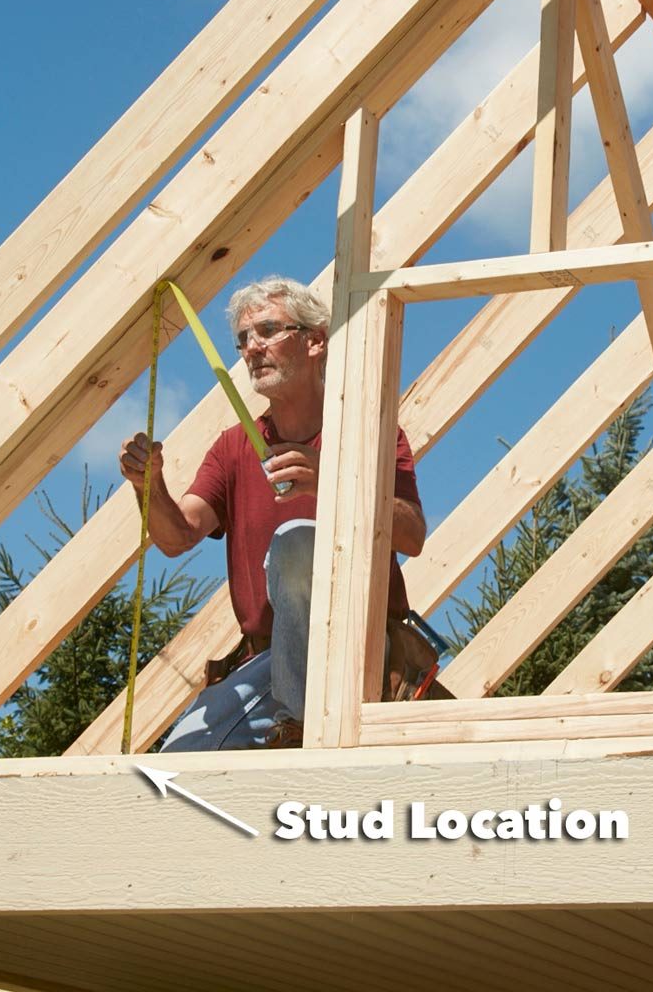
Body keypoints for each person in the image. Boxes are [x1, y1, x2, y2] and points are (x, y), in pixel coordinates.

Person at [118, 275, 425, 750]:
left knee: (299, 540)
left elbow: (412, 535)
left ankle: (298, 727)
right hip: (272, 664)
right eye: (243, 339)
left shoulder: (366, 434)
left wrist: (334, 480)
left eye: (267, 331)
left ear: (315, 341)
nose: (252, 348)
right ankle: (294, 725)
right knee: (178, 760)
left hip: (360, 649)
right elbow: (177, 536)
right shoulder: (234, 448)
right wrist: (148, 485)